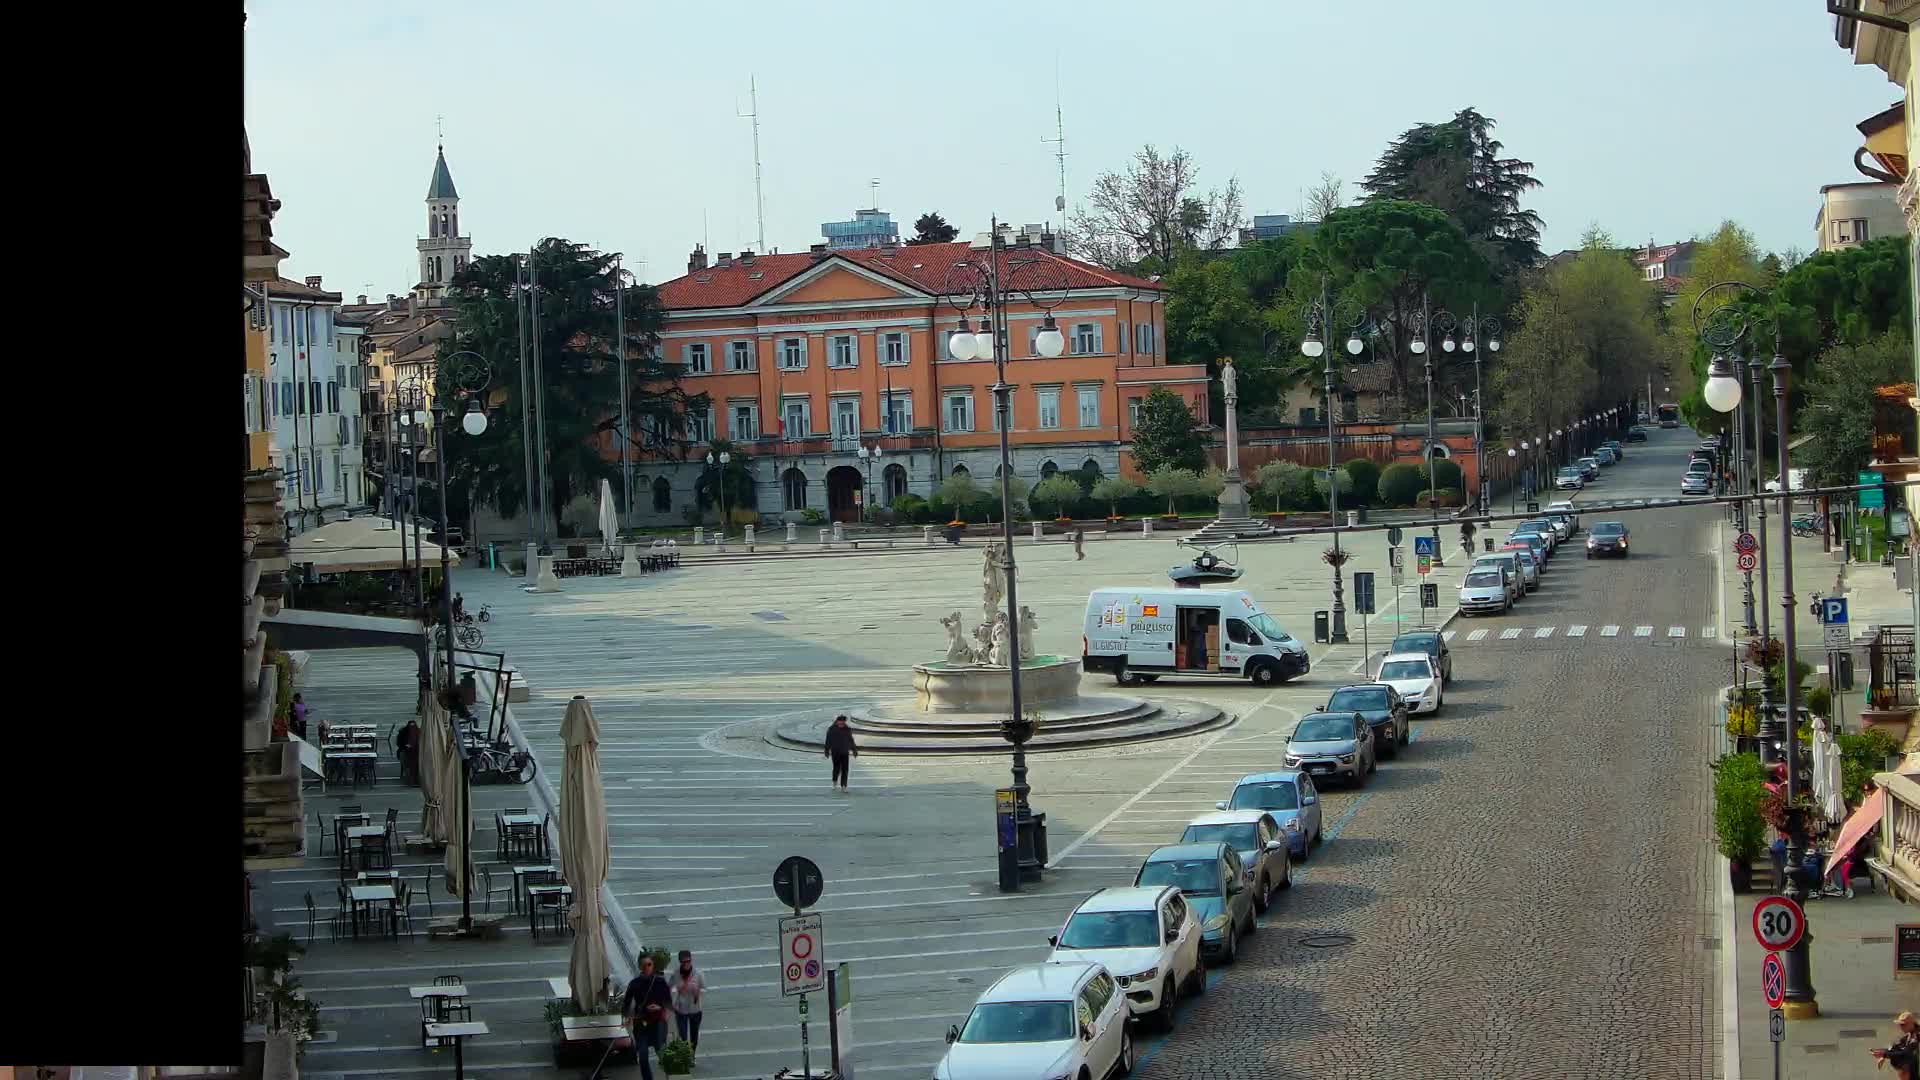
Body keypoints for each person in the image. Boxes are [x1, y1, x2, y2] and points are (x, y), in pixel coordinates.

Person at [623, 954, 673, 1080]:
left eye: (649, 964)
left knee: (661, 1052)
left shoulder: (660, 982)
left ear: (653, 966)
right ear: (640, 967)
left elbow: (668, 1001)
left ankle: (670, 1075)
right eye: (644, 965)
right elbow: (627, 1003)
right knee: (643, 1056)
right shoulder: (634, 984)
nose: (647, 967)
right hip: (641, 1023)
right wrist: (627, 1016)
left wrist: (661, 1008)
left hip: (657, 1022)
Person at [668, 949, 704, 1063]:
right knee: (683, 1035)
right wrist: (677, 989)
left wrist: (698, 991)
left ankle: (692, 1055)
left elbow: (704, 988)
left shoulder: (698, 974)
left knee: (694, 1035)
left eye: (688, 961)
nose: (686, 964)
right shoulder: (676, 974)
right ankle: (685, 1056)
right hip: (681, 1009)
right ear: (680, 962)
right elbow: (669, 988)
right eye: (683, 962)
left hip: (695, 1009)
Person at [1870, 1010, 1918, 1078]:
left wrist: (1884, 1054)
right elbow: (1895, 1047)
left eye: (1903, 1025)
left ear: (1911, 1024)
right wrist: (1884, 1054)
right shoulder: (1908, 1036)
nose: (1901, 1027)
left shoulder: (1917, 1037)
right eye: (1900, 1025)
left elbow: (1906, 1053)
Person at [824, 714, 858, 791]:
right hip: (835, 752)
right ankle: (834, 782)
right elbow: (828, 741)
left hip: (845, 752)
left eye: (843, 722)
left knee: (845, 770)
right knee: (836, 768)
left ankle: (844, 786)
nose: (841, 723)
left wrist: (854, 750)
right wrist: (826, 751)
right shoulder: (831, 729)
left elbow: (851, 740)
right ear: (837, 721)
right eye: (840, 721)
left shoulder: (847, 729)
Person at [396, 719, 421, 786]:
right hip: (404, 751)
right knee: (408, 761)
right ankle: (411, 779)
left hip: (417, 751)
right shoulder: (402, 732)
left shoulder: (419, 732)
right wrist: (405, 745)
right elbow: (398, 743)